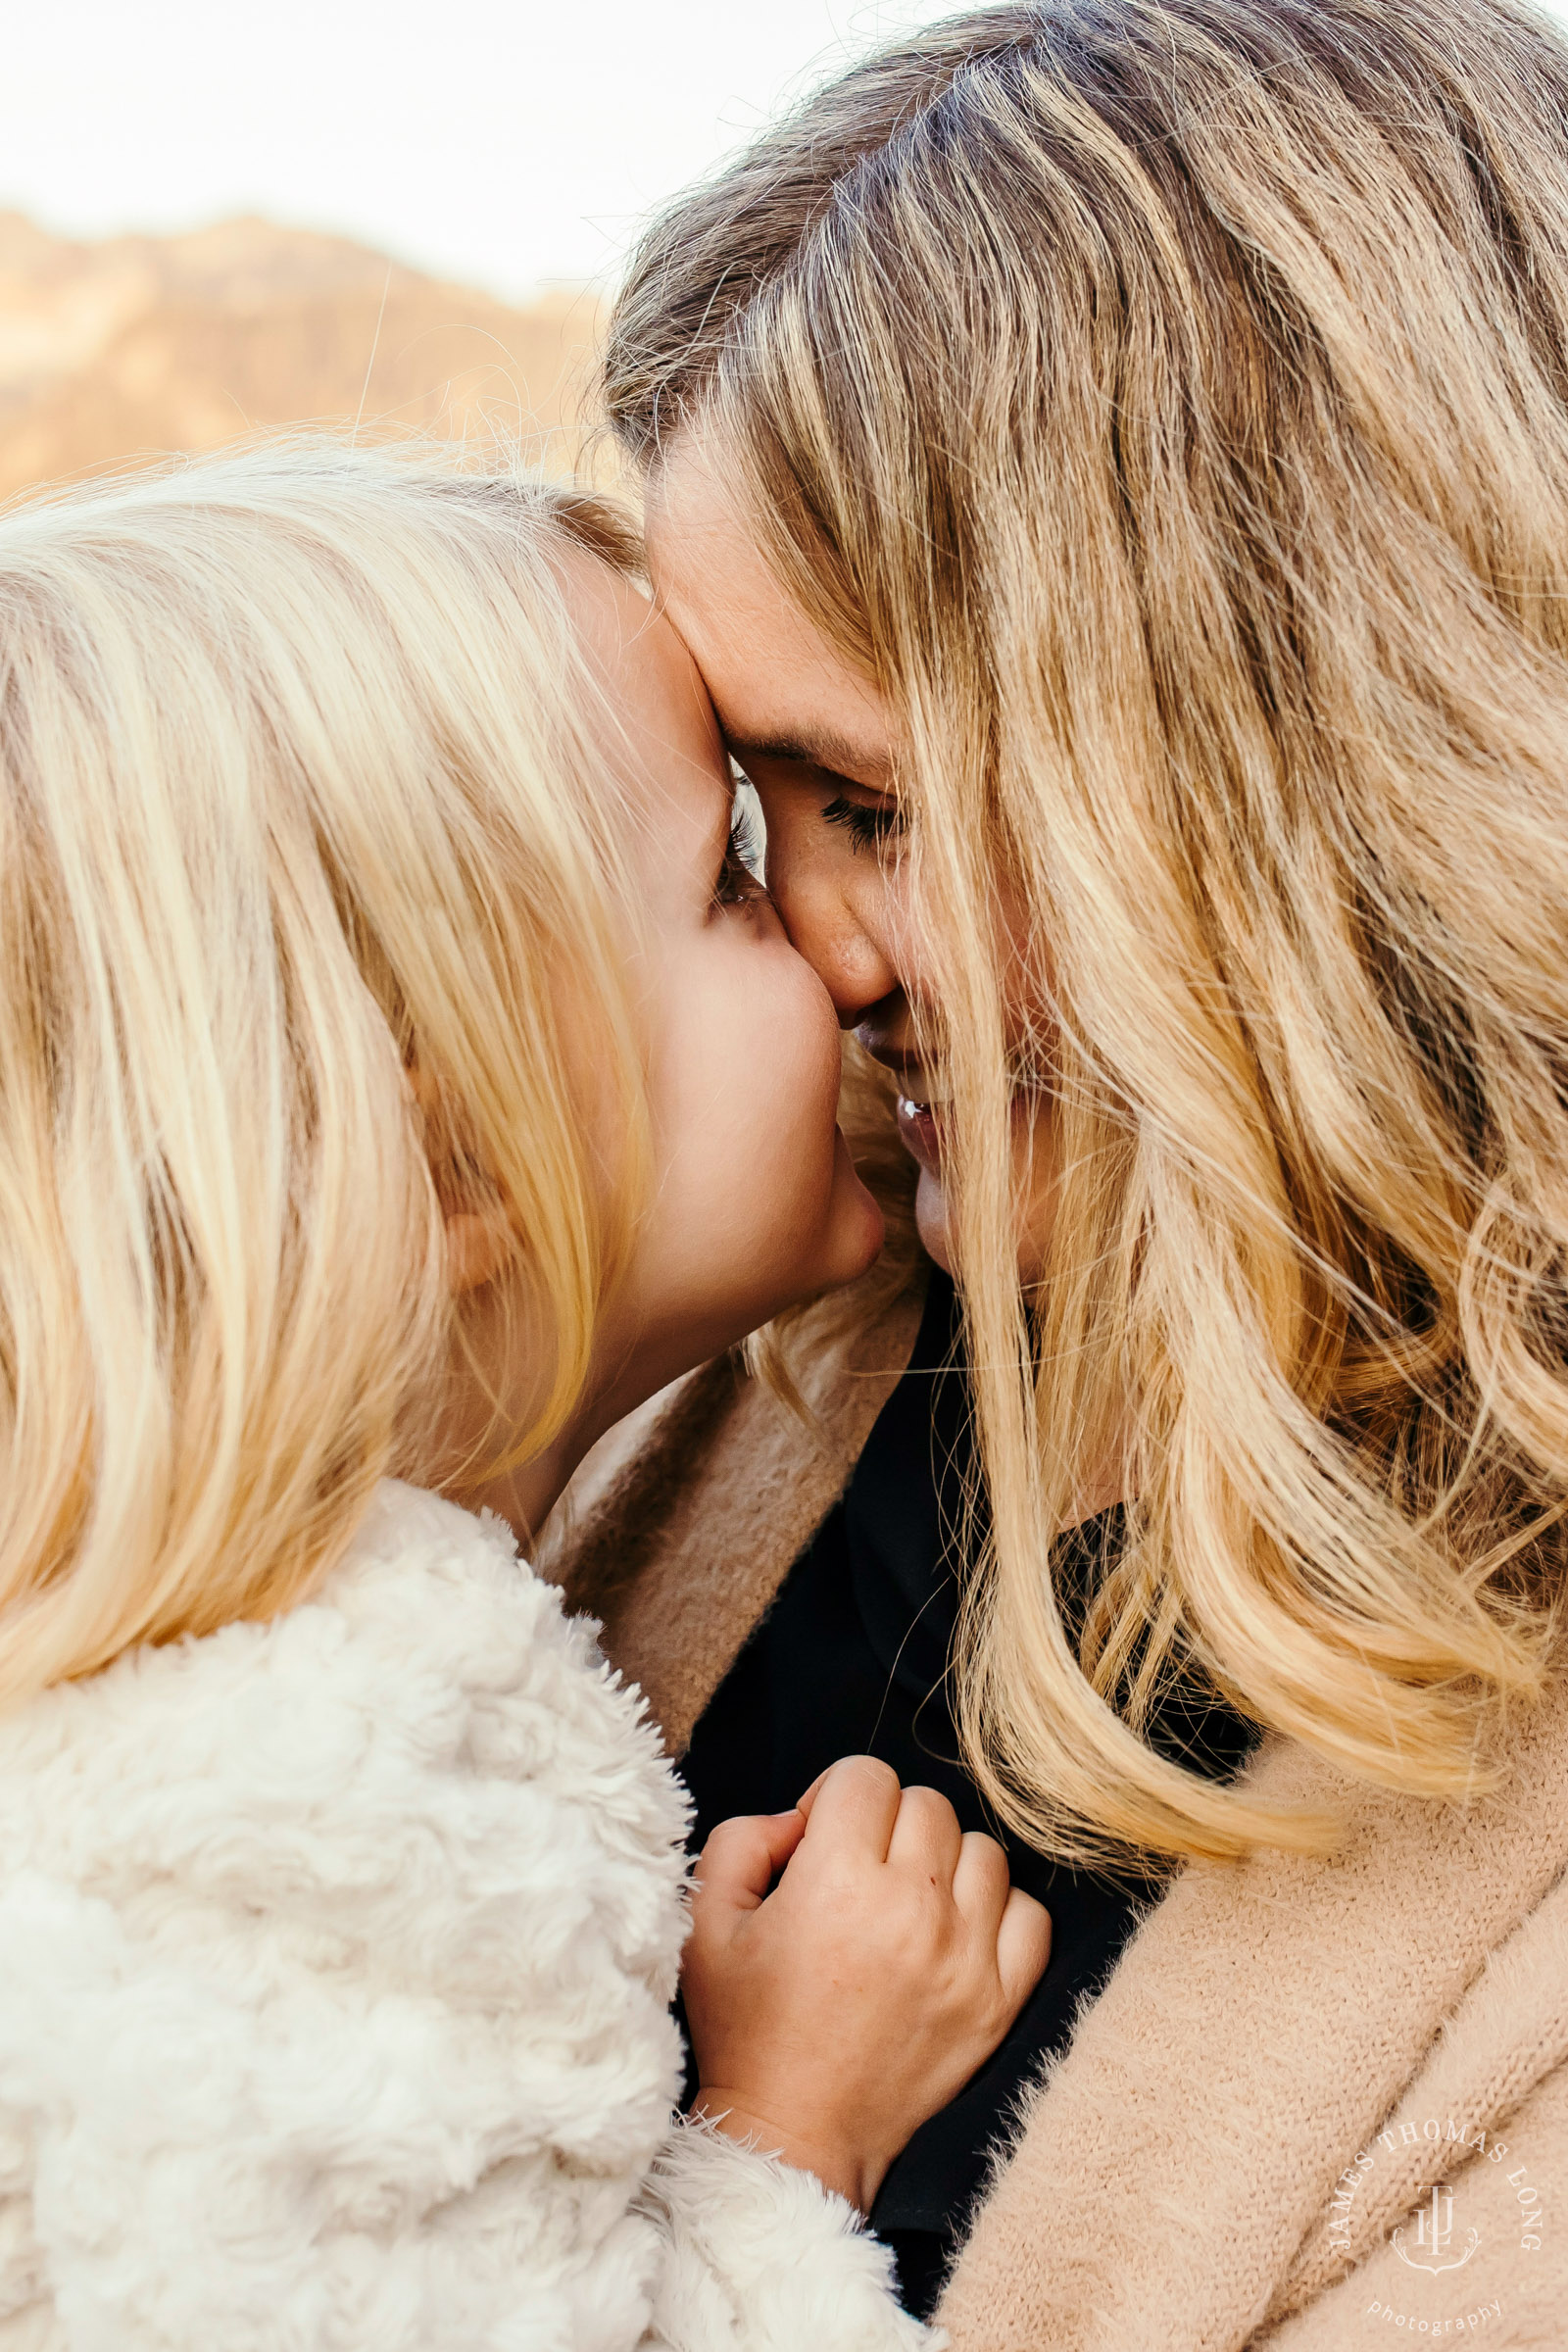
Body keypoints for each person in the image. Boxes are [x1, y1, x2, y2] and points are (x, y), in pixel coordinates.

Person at [551, 0, 1568, 2340]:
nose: (813, 942)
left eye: (880, 809)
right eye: (747, 812)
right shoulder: (699, 1379)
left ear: (1325, 756)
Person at [0, 441, 1053, 2348]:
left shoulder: (170, 1681)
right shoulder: (332, 1820)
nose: (830, 943)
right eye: (724, 884)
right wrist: (784, 2132)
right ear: (468, 1155)